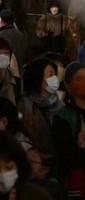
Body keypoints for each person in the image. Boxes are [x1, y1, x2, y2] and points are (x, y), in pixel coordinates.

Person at [52, 61, 85, 195]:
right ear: (68, 86)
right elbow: (63, 155)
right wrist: (78, 146)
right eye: (80, 79)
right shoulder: (63, 116)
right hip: (76, 177)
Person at [19, 57, 62, 150]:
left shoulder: (60, 104)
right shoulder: (24, 106)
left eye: (55, 74)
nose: (54, 79)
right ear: (38, 78)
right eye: (50, 75)